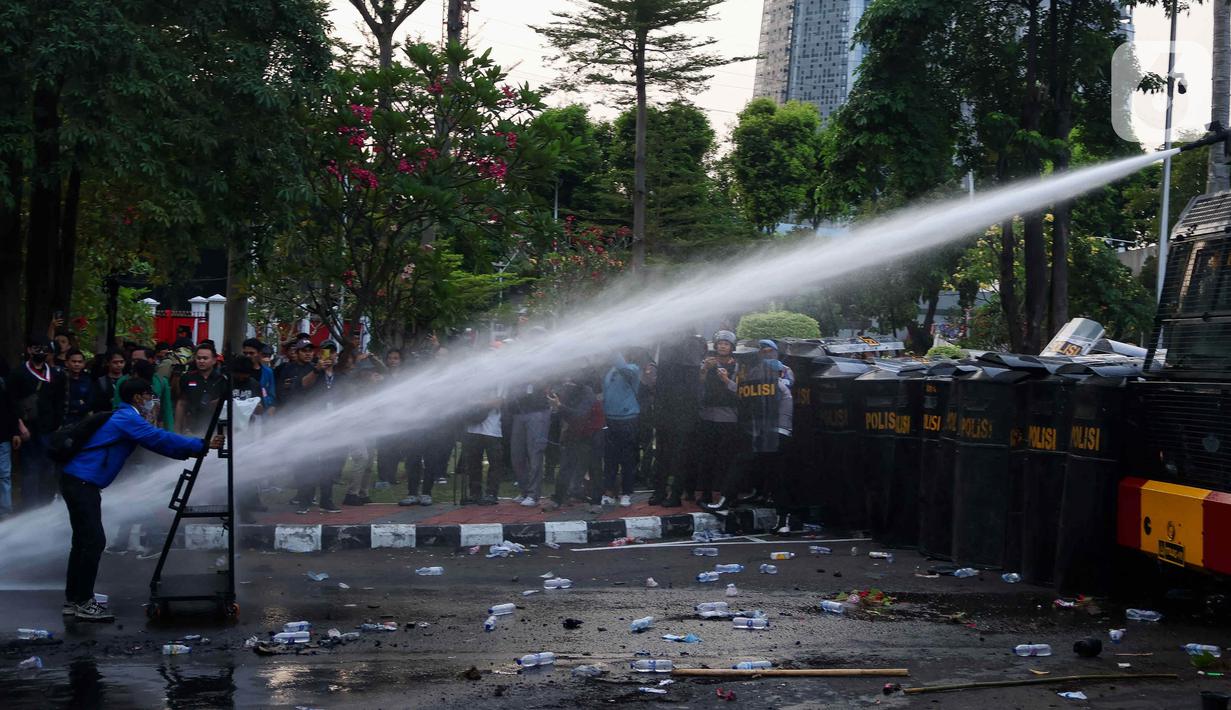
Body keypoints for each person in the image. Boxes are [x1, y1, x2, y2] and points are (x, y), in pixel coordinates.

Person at [60, 378, 223, 621]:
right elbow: (158, 438)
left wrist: (194, 449)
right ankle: (83, 602)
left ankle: (75, 599)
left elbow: (158, 442)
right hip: (81, 482)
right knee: (93, 541)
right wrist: (202, 445)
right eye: (149, 396)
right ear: (137, 397)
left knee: (83, 541)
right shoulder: (127, 418)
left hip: (78, 481)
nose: (153, 401)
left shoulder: (125, 416)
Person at [704, 339, 788, 512]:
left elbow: (781, 394)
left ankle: (727, 502)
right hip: (763, 429)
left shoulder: (770, 374)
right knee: (765, 467)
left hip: (771, 429)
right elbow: (743, 394)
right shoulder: (749, 376)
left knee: (749, 464)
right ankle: (763, 499)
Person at [650, 332, 707, 507]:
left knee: (680, 456)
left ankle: (675, 494)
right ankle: (660, 491)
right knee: (662, 455)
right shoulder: (668, 347)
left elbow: (693, 390)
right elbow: (660, 387)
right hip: (666, 412)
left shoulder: (691, 344)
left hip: (684, 415)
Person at [8, 336, 60, 509]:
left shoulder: (55, 374)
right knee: (30, 468)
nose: (41, 352)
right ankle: (30, 507)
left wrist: (57, 425)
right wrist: (19, 425)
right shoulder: (18, 373)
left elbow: (59, 401)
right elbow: (11, 402)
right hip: (28, 428)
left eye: (44, 348)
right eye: (37, 348)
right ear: (29, 350)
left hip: (49, 428)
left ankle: (46, 504)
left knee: (48, 466)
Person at [293, 342, 344, 514]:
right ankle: (305, 501)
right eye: (325, 352)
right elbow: (302, 386)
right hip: (312, 424)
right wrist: (317, 369)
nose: (329, 356)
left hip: (334, 425)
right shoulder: (311, 370)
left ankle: (326, 500)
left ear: (336, 355)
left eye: (332, 352)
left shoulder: (341, 376)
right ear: (319, 355)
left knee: (329, 463)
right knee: (308, 462)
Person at [692, 330, 742, 506]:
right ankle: (706, 493)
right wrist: (705, 370)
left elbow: (741, 391)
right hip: (708, 415)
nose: (722, 346)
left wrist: (726, 380)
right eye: (720, 343)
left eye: (726, 344)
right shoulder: (707, 362)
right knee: (707, 456)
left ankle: (727, 495)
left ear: (732, 347)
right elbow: (698, 386)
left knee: (726, 458)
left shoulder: (738, 366)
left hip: (729, 418)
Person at [545, 375, 603, 512]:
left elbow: (580, 415)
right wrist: (556, 408)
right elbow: (564, 416)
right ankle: (558, 499)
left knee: (594, 468)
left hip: (592, 433)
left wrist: (560, 406)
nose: (566, 386)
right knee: (565, 466)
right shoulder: (567, 394)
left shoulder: (587, 393)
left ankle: (596, 502)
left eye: (569, 383)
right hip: (575, 433)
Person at [602, 351, 641, 508]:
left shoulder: (633, 369)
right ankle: (609, 492)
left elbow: (623, 368)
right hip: (610, 419)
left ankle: (627, 493)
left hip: (627, 419)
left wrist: (613, 348)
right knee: (610, 459)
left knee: (627, 459)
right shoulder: (610, 370)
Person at [458, 385, 505, 506]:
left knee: (495, 462)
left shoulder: (500, 382)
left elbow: (498, 401)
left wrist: (479, 403)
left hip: (492, 429)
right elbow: (465, 401)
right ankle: (475, 493)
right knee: (473, 462)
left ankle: (491, 493)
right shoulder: (476, 382)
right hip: (473, 428)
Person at [175, 344, 226, 436]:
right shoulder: (187, 377)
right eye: (198, 358)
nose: (201, 361)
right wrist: (177, 429)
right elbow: (182, 403)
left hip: (215, 428)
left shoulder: (222, 380)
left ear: (214, 360)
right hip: (191, 427)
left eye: (205, 358)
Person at [0, 372, 27, 518]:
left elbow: (11, 409)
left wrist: (15, 432)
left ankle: (5, 512)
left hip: (3, 437)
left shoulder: (3, 384)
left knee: (4, 475)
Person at [52, 349, 98, 430]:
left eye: (80, 362)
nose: (77, 364)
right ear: (66, 363)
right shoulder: (59, 379)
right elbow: (57, 401)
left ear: (84, 364)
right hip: (62, 422)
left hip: (82, 421)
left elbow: (90, 403)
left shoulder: (88, 380)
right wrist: (77, 403)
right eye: (74, 361)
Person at [241, 338, 278, 416]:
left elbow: (271, 393)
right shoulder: (239, 373)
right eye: (245, 353)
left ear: (259, 353)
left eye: (251, 353)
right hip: (243, 412)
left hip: (263, 414)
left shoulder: (268, 372)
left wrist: (271, 406)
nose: (248, 356)